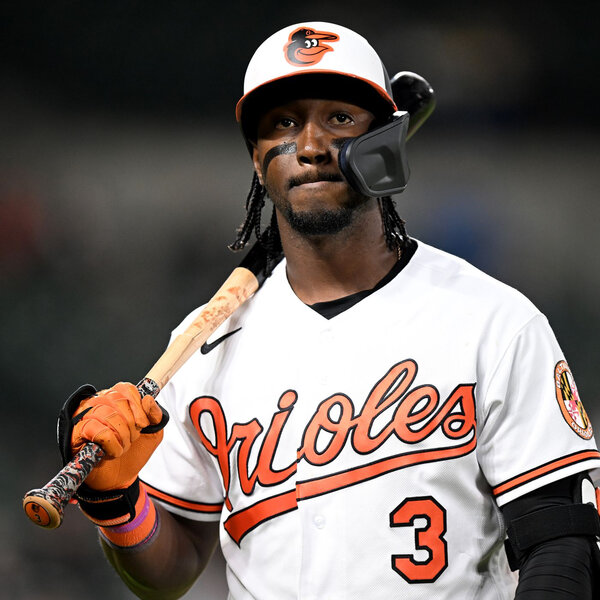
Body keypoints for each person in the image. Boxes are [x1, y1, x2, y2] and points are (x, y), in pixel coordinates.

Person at [58, 21, 600, 599]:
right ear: (256, 155)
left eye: (338, 118)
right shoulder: (203, 346)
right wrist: (117, 505)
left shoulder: (494, 322)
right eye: (284, 123)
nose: (311, 147)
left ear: (385, 142)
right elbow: (173, 568)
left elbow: (562, 546)